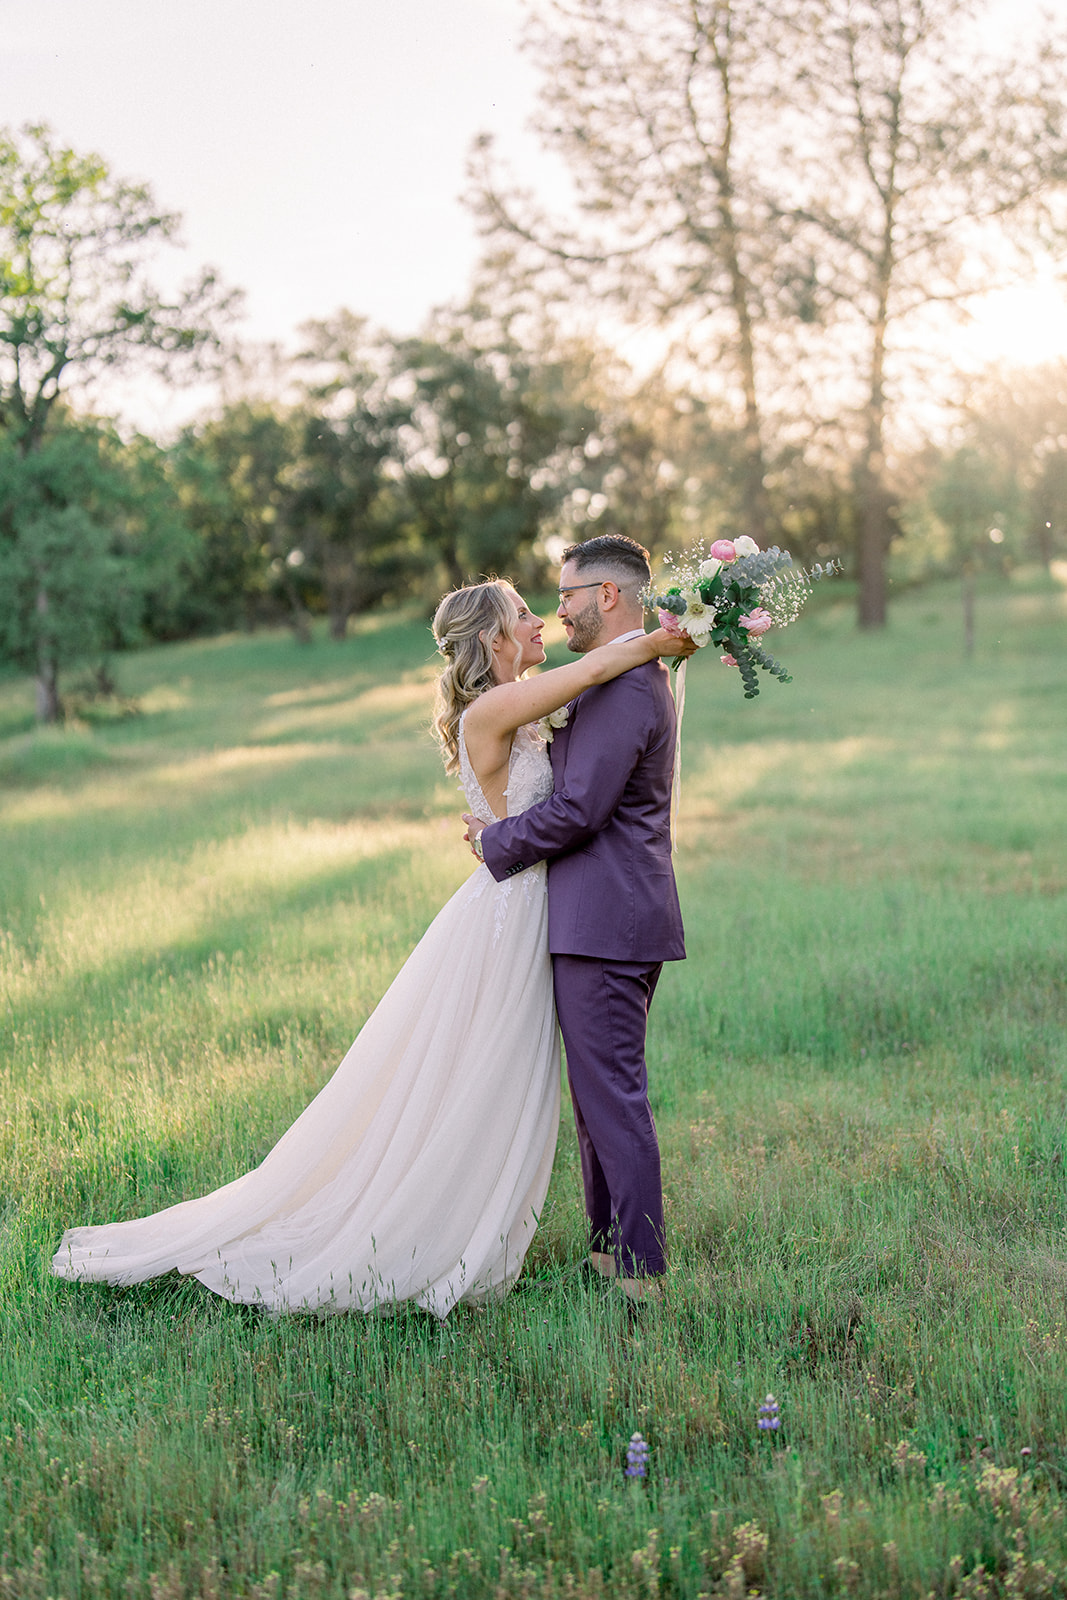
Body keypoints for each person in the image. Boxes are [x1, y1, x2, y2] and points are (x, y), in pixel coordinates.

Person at [51, 579, 690, 1319]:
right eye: (522, 612)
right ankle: (426, 1229)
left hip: (533, 904)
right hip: (509, 912)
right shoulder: (495, 707)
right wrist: (659, 639)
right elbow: (583, 677)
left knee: (497, 1080)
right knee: (471, 1079)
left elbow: (577, 735)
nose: (538, 619)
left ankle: (548, 1237)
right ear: (491, 639)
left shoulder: (524, 704)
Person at [463, 535, 688, 1305]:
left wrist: (496, 840)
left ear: (610, 596)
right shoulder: (617, 673)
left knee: (612, 1093)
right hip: (595, 916)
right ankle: (607, 1254)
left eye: (567, 594)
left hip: (609, 917)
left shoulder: (626, 684)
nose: (557, 609)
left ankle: (642, 1274)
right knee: (597, 1096)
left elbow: (582, 809)